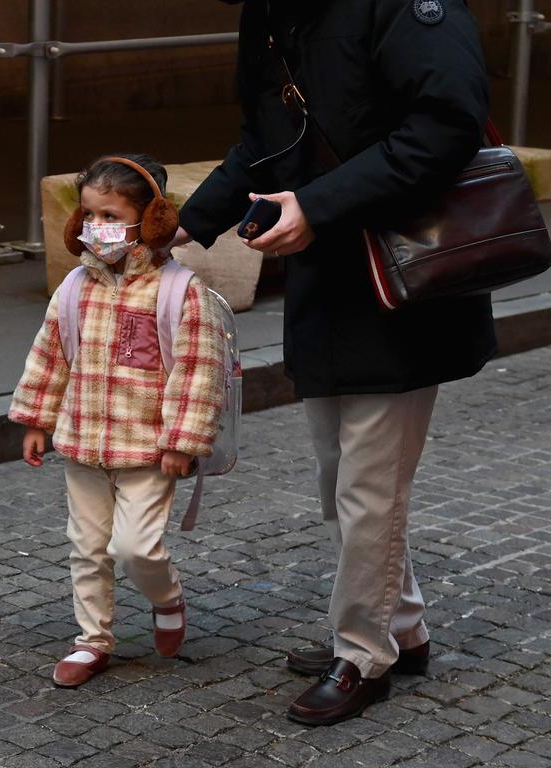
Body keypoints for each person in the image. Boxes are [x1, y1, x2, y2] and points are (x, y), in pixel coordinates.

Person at [177, 0, 496, 725]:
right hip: (324, 278)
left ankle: (364, 653)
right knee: (338, 475)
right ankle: (404, 630)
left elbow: (446, 125)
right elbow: (263, 140)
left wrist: (317, 205)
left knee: (368, 486)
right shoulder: (270, 9)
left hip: (405, 276)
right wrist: (183, 228)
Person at [9, 154, 226, 687]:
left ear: (149, 219)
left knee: (135, 547)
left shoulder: (179, 291)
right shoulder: (75, 288)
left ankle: (167, 597)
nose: (94, 228)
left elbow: (198, 372)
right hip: (81, 441)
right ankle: (92, 640)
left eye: (109, 215)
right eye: (87, 215)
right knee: (86, 546)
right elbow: (50, 354)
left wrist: (181, 441)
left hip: (148, 450)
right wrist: (38, 419)